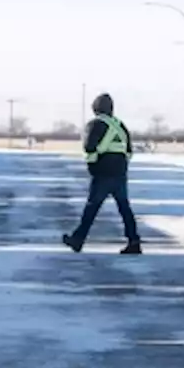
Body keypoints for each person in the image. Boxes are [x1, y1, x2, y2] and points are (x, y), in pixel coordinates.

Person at [62, 92, 142, 255]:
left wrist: (92, 166)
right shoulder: (120, 126)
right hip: (119, 173)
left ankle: (78, 240)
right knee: (124, 209)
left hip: (102, 173)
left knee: (91, 208)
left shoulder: (95, 124)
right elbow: (129, 151)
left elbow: (89, 147)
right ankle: (134, 241)